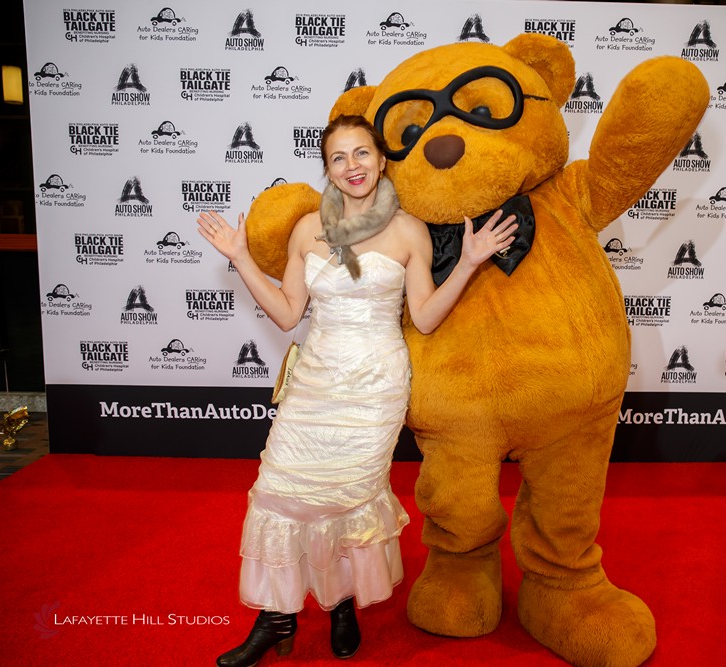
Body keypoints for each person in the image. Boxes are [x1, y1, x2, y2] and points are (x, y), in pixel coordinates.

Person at [196, 114, 517, 666]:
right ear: (327, 169)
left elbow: (426, 316)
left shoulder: (408, 230)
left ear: (381, 158)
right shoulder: (306, 231)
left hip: (374, 390)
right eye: (339, 158)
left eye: (361, 154)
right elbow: (286, 313)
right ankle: (276, 620)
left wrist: (465, 263)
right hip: (314, 384)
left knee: (347, 498)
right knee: (280, 492)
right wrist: (242, 258)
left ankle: (341, 604)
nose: (352, 167)